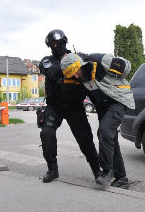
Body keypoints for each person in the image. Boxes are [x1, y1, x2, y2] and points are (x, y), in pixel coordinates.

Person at [60, 53, 135, 188]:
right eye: (72, 75)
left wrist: (121, 66)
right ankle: (121, 178)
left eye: (76, 72)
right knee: (110, 139)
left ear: (81, 65)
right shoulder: (79, 78)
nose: (76, 77)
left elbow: (127, 66)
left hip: (118, 101)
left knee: (104, 132)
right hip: (103, 107)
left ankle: (106, 171)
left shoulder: (100, 61)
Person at [38, 29, 101, 183]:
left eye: (57, 43)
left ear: (64, 42)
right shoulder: (47, 60)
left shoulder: (79, 57)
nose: (55, 46)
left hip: (75, 106)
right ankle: (52, 170)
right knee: (46, 133)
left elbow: (94, 66)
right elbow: (51, 72)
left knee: (85, 139)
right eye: (52, 44)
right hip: (56, 106)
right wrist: (71, 63)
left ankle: (97, 171)